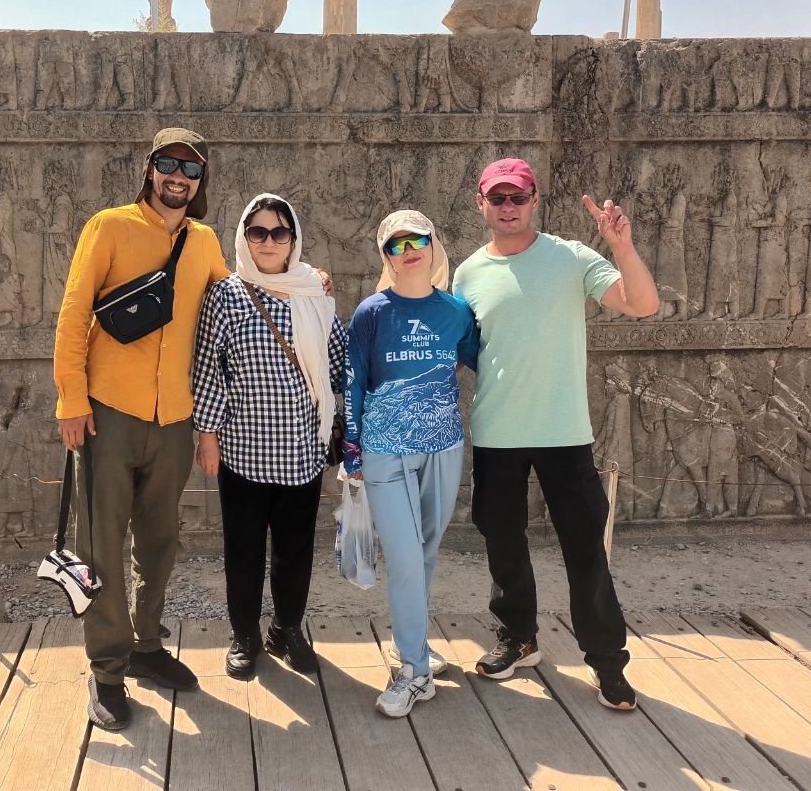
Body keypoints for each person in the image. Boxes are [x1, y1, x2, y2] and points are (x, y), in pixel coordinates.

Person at [452, 157, 658, 712]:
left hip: (564, 433)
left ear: (535, 200)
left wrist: (622, 247)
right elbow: (454, 348)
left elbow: (643, 304)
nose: (508, 207)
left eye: (518, 197)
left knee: (585, 550)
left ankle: (607, 663)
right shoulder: (467, 274)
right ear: (481, 204)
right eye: (498, 198)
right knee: (503, 545)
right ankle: (518, 639)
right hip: (496, 433)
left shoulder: (571, 257)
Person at [53, 127, 229, 731]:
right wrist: (71, 399)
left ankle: (146, 646)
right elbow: (74, 312)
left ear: (201, 182)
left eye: (191, 169)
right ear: (150, 169)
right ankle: (107, 670)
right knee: (102, 542)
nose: (179, 177)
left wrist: (303, 282)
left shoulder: (204, 241)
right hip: (109, 412)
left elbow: (235, 298)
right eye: (169, 164)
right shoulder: (109, 226)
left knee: (159, 540)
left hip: (175, 416)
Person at [191, 194, 346, 680]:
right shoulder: (227, 294)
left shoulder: (312, 291)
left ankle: (287, 629)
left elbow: (337, 361)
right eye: (258, 232)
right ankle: (244, 635)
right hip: (245, 450)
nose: (269, 242)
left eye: (279, 232)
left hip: (302, 448)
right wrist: (207, 434)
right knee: (243, 551)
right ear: (244, 238)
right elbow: (208, 368)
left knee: (295, 551)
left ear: (293, 238)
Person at [342, 210, 479, 718]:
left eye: (417, 239)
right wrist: (351, 448)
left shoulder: (457, 311)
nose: (409, 250)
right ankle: (415, 671)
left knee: (425, 552)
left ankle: (416, 646)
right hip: (383, 450)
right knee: (402, 556)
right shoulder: (371, 312)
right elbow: (353, 381)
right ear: (387, 257)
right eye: (396, 245)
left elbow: (476, 360)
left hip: (443, 446)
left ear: (433, 243)